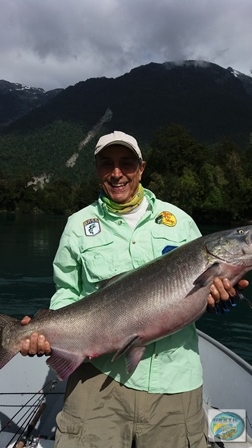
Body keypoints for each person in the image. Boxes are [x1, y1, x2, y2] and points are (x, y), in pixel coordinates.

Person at [20, 130, 248, 448]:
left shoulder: (181, 222)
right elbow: (67, 291)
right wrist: (48, 335)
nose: (117, 173)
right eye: (107, 164)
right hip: (99, 379)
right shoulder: (77, 225)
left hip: (174, 381)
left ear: (141, 168)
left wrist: (221, 300)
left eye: (126, 163)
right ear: (97, 168)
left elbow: (201, 298)